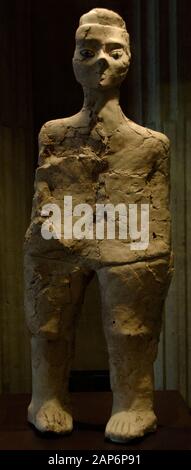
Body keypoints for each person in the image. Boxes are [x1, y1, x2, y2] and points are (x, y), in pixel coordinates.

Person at [24, 8, 173, 442]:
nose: (101, 61)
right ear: (74, 61)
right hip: (59, 232)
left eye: (114, 51)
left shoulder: (149, 144)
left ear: (127, 61)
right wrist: (52, 236)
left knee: (131, 327)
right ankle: (45, 397)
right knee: (48, 324)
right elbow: (45, 195)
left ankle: (134, 402)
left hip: (130, 235)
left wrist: (153, 257)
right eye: (88, 51)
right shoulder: (53, 133)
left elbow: (157, 212)